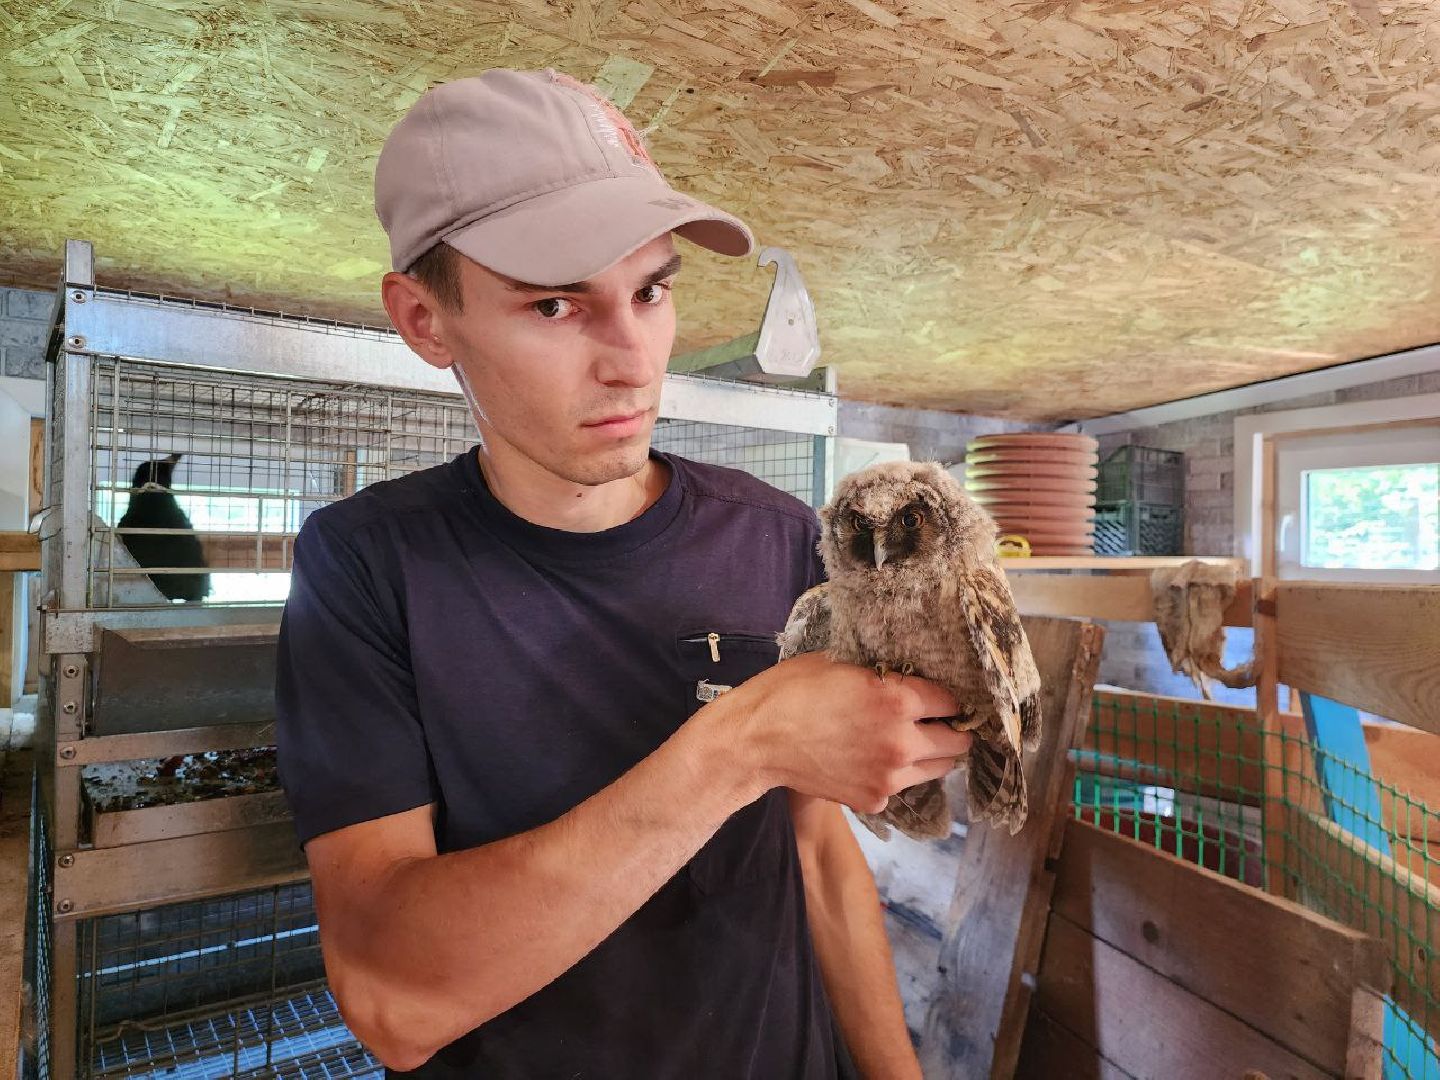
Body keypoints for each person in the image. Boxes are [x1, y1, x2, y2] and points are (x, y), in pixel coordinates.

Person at [275, 68, 973, 1078]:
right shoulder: (367, 568)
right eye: (556, 305)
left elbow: (818, 855)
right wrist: (735, 745)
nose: (634, 360)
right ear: (427, 320)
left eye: (650, 291)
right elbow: (394, 1000)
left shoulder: (776, 537)